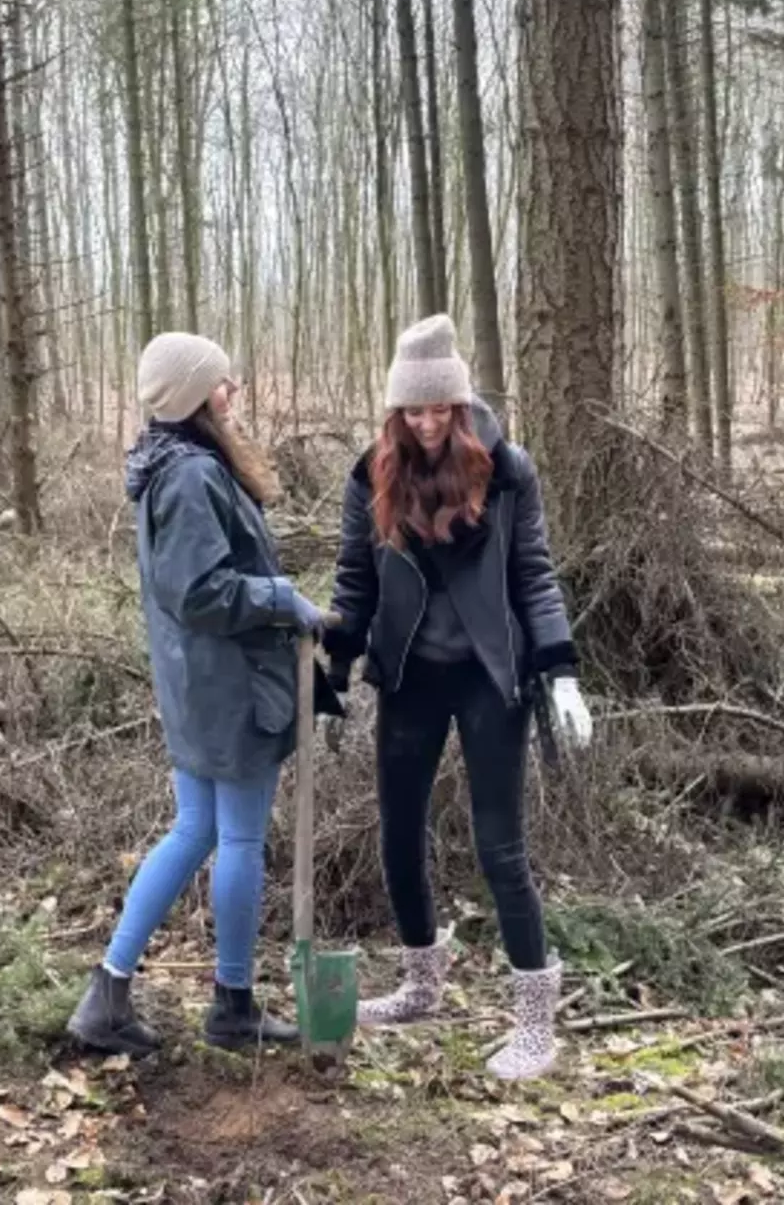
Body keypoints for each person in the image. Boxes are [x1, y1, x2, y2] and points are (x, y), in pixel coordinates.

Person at [321, 314, 593, 1082]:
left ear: (462, 405)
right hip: (409, 675)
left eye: (441, 408)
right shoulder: (367, 474)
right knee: (398, 834)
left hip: (488, 674)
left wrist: (560, 669)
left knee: (499, 847)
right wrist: (333, 670)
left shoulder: (508, 471)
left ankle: (535, 1022)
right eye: (414, 410)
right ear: (396, 413)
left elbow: (534, 574)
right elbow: (355, 579)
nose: (430, 423)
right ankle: (419, 985)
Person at [67, 332, 332, 1057]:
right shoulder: (188, 477)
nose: (233, 390)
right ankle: (231, 1006)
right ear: (192, 399)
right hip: (229, 688)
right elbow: (201, 591)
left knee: (197, 832)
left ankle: (110, 994)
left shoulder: (180, 465)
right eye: (220, 383)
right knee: (234, 837)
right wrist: (282, 597)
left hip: (202, 683)